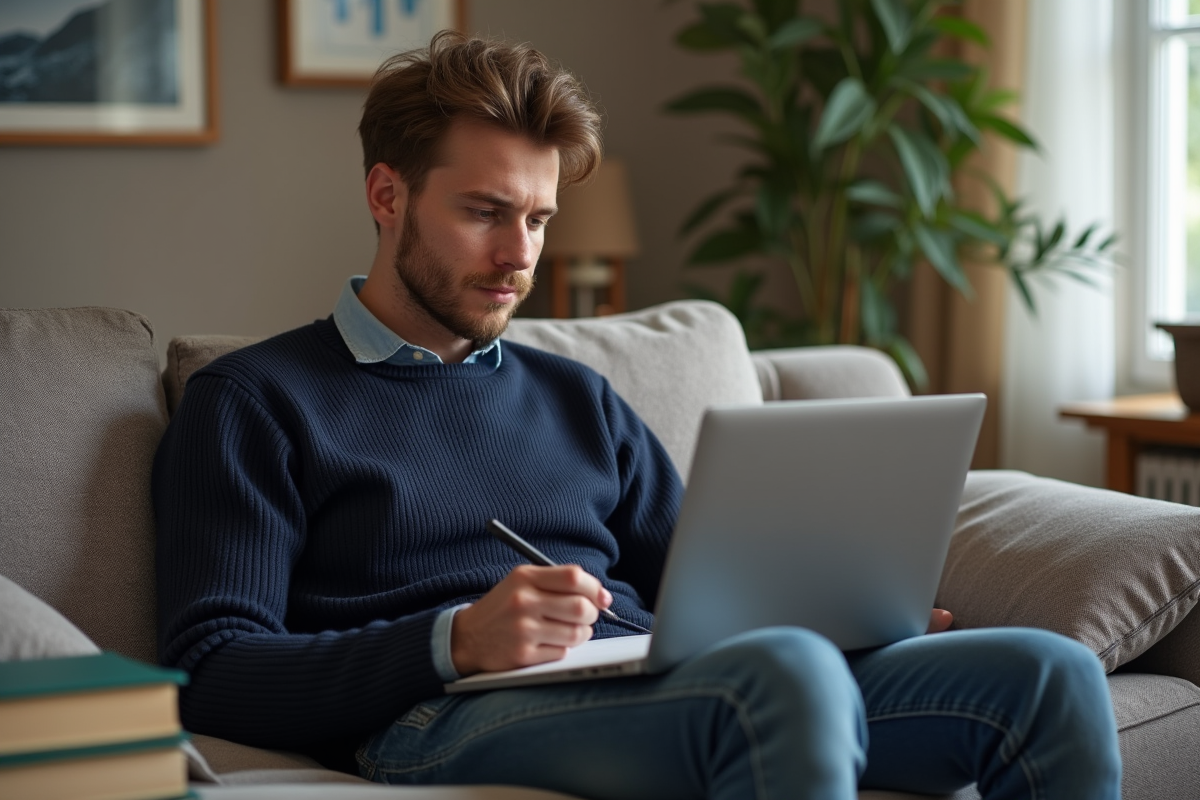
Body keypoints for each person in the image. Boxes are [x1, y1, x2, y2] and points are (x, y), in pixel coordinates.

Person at [153, 31, 1122, 800]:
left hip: (647, 682)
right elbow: (210, 666)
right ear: (386, 195)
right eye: (486, 211)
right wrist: (450, 637)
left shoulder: (578, 396)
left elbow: (700, 589)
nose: (517, 254)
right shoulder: (254, 400)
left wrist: (836, 609)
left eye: (537, 219)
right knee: (783, 674)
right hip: (429, 713)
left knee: (1050, 675)